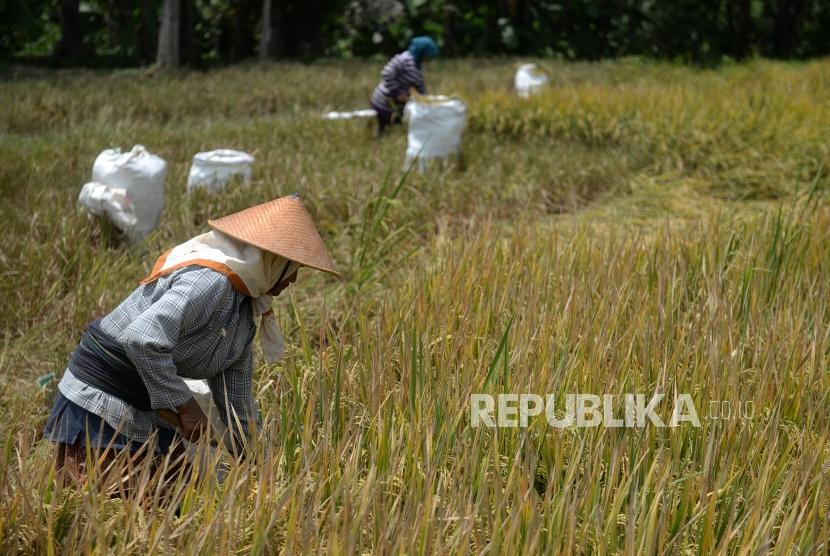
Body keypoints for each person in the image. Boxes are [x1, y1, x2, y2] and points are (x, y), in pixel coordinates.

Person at [43, 194, 340, 485]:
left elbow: (237, 401)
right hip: (104, 395)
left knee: (174, 497)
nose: (294, 281)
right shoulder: (209, 281)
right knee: (121, 502)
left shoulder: (242, 314)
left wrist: (260, 461)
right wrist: (186, 408)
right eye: (294, 269)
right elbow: (142, 339)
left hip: (146, 400)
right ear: (274, 262)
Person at [370, 36, 439, 136]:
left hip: (398, 105)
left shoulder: (418, 67)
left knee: (397, 130)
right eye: (427, 55)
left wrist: (426, 101)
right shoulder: (403, 59)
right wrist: (397, 93)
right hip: (385, 102)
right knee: (385, 132)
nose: (428, 59)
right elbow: (387, 73)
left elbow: (420, 87)